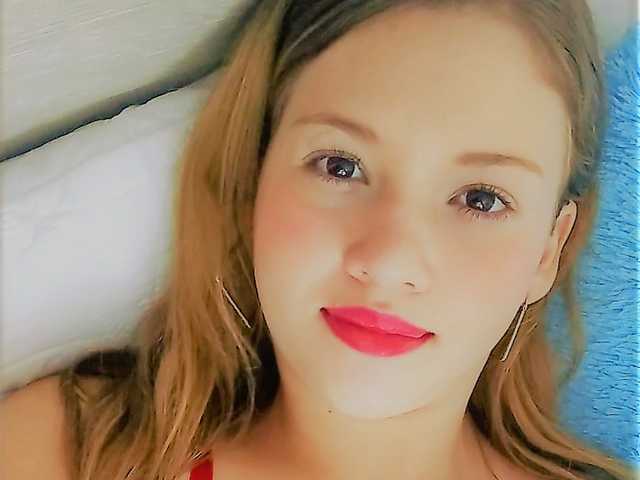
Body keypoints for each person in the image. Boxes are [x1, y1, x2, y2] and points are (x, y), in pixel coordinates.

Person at [1, 1, 636, 479]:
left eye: (481, 199)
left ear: (548, 250)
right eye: (341, 166)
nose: (387, 261)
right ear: (254, 179)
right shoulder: (76, 451)